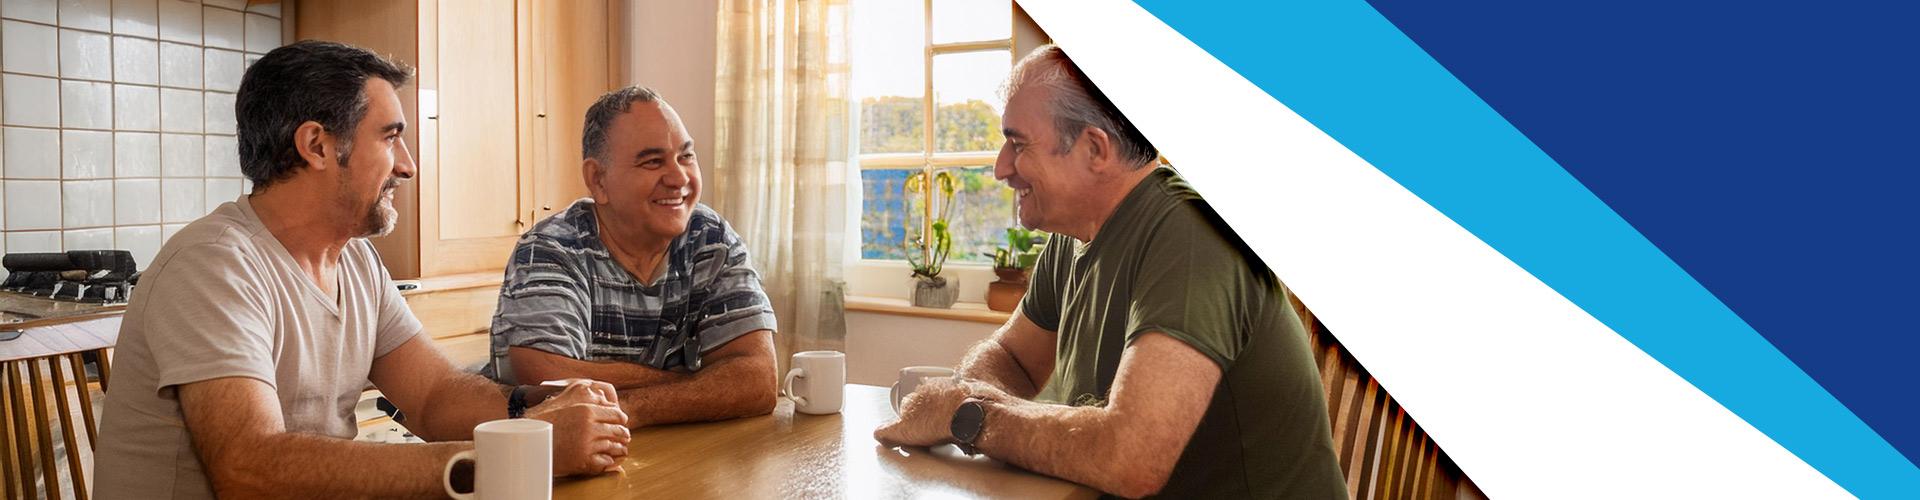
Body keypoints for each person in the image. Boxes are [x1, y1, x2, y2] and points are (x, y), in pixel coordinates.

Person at [93, 40, 631, 499]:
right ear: (317, 145)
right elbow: (249, 470)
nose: (408, 164)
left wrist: (542, 401)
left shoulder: (354, 259)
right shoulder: (214, 266)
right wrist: (513, 452)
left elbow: (433, 395)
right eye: (390, 136)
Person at [874, 45, 1348, 498]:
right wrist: (976, 399)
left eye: (1018, 144)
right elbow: (1013, 359)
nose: (1001, 168)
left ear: (1095, 150)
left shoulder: (1190, 236)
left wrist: (969, 415)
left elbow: (1131, 458)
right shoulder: (1074, 234)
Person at [480, 86, 780, 428]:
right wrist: (703, 383)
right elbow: (546, 380)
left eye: (686, 156)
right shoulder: (552, 248)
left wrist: (633, 407)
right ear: (598, 180)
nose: (679, 178)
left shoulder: (710, 239)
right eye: (653, 161)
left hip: (668, 455)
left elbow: (757, 381)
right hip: (543, 461)